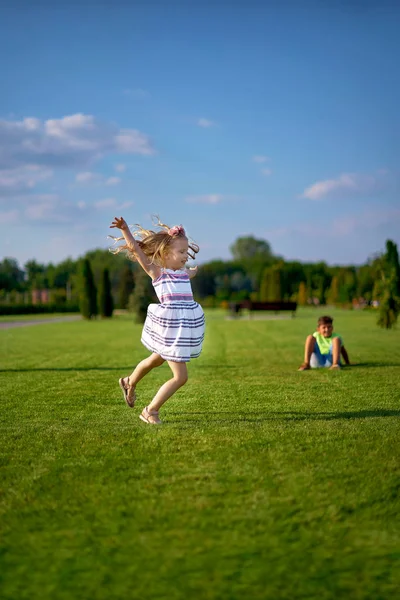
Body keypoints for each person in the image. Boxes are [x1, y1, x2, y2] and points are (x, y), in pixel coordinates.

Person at [109, 216, 205, 424]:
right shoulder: (158, 273)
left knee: (155, 360)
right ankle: (150, 411)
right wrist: (125, 229)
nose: (185, 256)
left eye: (186, 252)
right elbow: (136, 251)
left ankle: (128, 382)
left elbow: (188, 273)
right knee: (181, 377)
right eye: (181, 252)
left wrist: (193, 273)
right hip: (170, 332)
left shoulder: (183, 274)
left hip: (178, 332)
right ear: (165, 253)